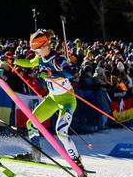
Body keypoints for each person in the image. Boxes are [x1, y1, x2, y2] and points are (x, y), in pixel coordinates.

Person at [12, 29, 84, 169]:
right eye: (34, 50)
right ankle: (35, 154)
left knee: (61, 131)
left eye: (37, 49)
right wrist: (13, 60)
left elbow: (70, 74)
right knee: (31, 123)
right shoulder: (39, 58)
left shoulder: (58, 59)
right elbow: (29, 63)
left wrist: (51, 74)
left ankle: (77, 163)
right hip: (52, 99)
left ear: (46, 45)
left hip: (67, 100)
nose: (36, 52)